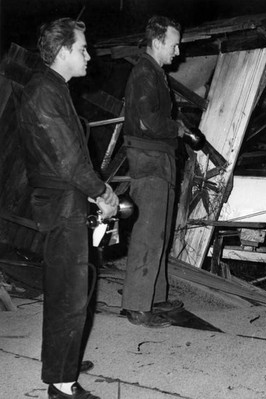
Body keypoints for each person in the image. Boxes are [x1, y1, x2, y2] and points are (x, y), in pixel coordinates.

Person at [17, 17, 118, 399]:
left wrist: (93, 192)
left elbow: (71, 157)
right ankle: (62, 383)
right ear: (62, 52)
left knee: (69, 289)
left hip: (65, 199)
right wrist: (103, 193)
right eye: (82, 49)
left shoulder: (54, 88)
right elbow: (70, 161)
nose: (89, 55)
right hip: (62, 202)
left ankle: (64, 359)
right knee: (69, 293)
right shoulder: (45, 92)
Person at [121, 15, 188, 328]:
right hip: (148, 158)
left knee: (159, 232)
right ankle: (137, 305)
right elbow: (149, 123)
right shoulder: (145, 72)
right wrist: (180, 130)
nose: (177, 52)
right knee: (147, 233)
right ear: (159, 41)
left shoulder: (155, 72)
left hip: (159, 158)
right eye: (174, 45)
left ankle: (155, 297)